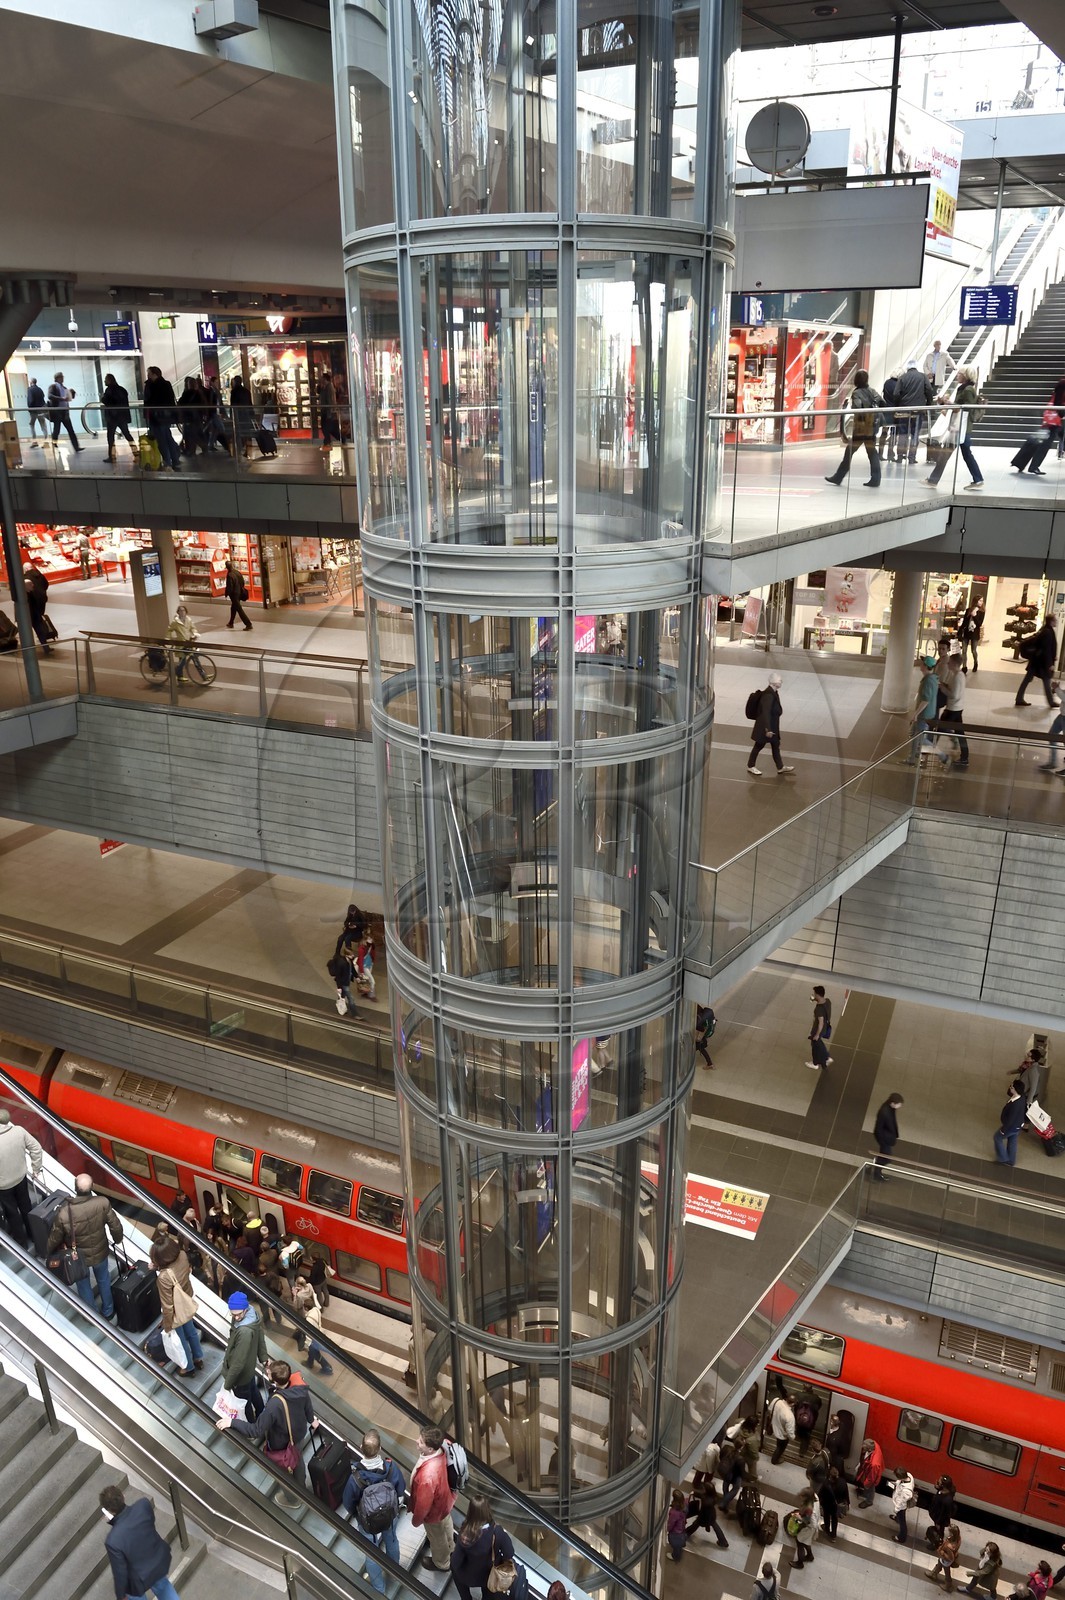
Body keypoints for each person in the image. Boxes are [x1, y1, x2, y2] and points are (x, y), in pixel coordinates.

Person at [219, 1358, 316, 1487]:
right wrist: (312, 1420)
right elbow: (307, 1406)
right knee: (297, 1457)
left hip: (283, 1441)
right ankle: (301, 1485)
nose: (267, 1371)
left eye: (269, 1373)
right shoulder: (300, 1387)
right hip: (299, 1433)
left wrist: (232, 1422)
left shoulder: (274, 1405)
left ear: (275, 1382)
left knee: (283, 1469)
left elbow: (256, 1430)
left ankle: (290, 1494)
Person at [46, 1172, 123, 1320]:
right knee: (103, 1279)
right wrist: (118, 1239)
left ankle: (91, 1315)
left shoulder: (64, 1213)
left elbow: (55, 1237)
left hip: (78, 1257)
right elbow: (115, 1226)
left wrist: (48, 1251)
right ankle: (108, 1311)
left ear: (75, 1188)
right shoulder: (102, 1202)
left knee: (83, 1284)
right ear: (92, 1187)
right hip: (100, 1251)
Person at [341, 1429, 406, 1593]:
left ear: (361, 1447)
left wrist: (358, 1516)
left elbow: (348, 1503)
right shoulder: (391, 1468)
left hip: (367, 1522)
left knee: (371, 1552)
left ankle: (379, 1590)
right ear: (380, 1448)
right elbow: (400, 1490)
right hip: (390, 1516)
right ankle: (395, 1574)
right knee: (392, 1541)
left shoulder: (355, 1477)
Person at [100, 1486, 181, 1600]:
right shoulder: (143, 1505)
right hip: (157, 1561)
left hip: (137, 1579)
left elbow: (120, 1572)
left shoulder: (112, 1541)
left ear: (109, 1511)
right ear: (123, 1496)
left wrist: (121, 1595)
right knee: (164, 1588)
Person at [451, 1495, 526, 1595]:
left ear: (470, 1512)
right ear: (487, 1510)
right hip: (490, 1576)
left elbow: (456, 1562)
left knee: (455, 1570)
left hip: (467, 1576)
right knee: (488, 1592)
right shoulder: (497, 1532)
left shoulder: (464, 1534)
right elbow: (509, 1553)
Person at [926, 367, 984, 489]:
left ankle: (933, 480)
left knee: (948, 453)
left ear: (966, 375)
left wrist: (950, 404)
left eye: (959, 374)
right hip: (959, 427)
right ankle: (978, 479)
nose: (957, 375)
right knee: (961, 454)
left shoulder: (968, 389)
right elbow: (959, 406)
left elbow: (967, 408)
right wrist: (945, 403)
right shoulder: (963, 388)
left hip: (961, 428)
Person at [825, 369, 884, 489]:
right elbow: (883, 403)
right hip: (872, 427)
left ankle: (838, 477)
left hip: (861, 428)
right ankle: (876, 479)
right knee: (872, 452)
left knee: (849, 451)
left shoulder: (856, 393)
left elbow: (857, 407)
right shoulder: (872, 391)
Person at [410, 1424, 457, 1571]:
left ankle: (442, 1563)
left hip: (434, 1512)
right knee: (446, 1524)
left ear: (430, 1449)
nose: (417, 1441)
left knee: (437, 1538)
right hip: (446, 1500)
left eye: (421, 1442)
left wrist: (416, 1520)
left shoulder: (427, 1477)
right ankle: (452, 1548)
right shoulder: (444, 1446)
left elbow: (423, 1506)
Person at [155, 1234, 204, 1377]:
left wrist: (167, 1325)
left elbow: (167, 1306)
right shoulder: (182, 1255)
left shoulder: (163, 1277)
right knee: (191, 1331)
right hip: (186, 1300)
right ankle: (198, 1358)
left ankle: (188, 1368)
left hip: (176, 1310)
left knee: (180, 1338)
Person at [0, 1108, 44, 1247]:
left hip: (3, 1185)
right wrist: (35, 1168)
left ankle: (22, 1244)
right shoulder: (19, 1131)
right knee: (26, 1207)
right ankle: (34, 1236)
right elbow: (36, 1148)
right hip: (21, 1178)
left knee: (12, 1213)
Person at [221, 1290, 267, 1420]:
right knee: (252, 1390)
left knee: (243, 1403)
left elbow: (238, 1363)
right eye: (233, 1314)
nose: (236, 1317)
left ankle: (251, 1424)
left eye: (238, 1314)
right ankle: (261, 1412)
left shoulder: (244, 1332)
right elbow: (260, 1336)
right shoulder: (253, 1315)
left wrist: (227, 1384)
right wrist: (263, 1357)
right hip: (249, 1369)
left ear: (245, 1309)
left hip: (240, 1376)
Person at [747, 671, 795, 777]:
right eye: (779, 680)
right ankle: (751, 765)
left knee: (775, 745)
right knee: (759, 745)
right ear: (773, 682)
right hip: (766, 726)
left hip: (772, 725)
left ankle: (780, 767)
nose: (781, 681)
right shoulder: (768, 695)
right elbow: (766, 712)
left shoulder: (773, 692)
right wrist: (768, 729)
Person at [893, 361, 936, 463]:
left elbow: (896, 394)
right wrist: (928, 404)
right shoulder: (923, 376)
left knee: (903, 433)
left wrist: (898, 405)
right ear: (916, 367)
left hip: (904, 409)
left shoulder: (902, 377)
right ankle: (912, 457)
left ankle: (900, 456)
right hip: (918, 410)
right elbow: (929, 390)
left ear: (907, 368)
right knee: (915, 433)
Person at [292, 1274, 334, 1373]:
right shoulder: (316, 1309)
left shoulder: (308, 1318)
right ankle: (309, 1363)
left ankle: (327, 1367)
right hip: (318, 1332)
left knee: (314, 1352)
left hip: (313, 1339)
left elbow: (296, 1306)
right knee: (312, 1352)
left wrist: (294, 1295)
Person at [1016, 615, 1060, 708]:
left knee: (1028, 680)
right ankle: (1051, 702)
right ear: (1051, 621)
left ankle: (1019, 699)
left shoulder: (1045, 630)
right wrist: (1050, 664)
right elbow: (1046, 650)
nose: (1056, 622)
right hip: (1041, 663)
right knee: (1046, 680)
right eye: (1055, 620)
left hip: (1036, 661)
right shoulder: (1048, 632)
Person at [143, 367, 181, 471]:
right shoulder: (166, 384)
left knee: (161, 440)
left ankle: (167, 462)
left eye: (149, 373)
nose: (148, 375)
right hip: (166, 416)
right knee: (168, 437)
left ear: (154, 374)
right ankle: (175, 460)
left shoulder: (152, 386)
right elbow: (170, 400)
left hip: (157, 417)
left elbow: (149, 401)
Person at [905, 656, 940, 764]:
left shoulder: (928, 681)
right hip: (926, 713)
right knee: (915, 735)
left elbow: (926, 700)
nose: (920, 665)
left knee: (919, 737)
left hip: (924, 714)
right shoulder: (932, 678)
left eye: (922, 663)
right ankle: (913, 756)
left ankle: (942, 755)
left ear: (925, 666)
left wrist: (915, 714)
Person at [937, 655, 969, 769]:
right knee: (959, 732)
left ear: (955, 664)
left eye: (949, 662)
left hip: (953, 709)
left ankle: (929, 749)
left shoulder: (957, 677)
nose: (948, 664)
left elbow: (954, 695)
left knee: (939, 729)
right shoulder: (956, 675)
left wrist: (943, 689)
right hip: (956, 708)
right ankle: (964, 757)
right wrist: (945, 685)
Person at [101, 373, 137, 463]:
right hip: (122, 416)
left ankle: (112, 456)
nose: (104, 381)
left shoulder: (109, 390)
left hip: (112, 417)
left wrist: (103, 399)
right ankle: (136, 453)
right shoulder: (122, 390)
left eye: (106, 379)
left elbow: (106, 401)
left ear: (109, 380)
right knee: (127, 434)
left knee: (110, 437)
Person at [685, 1479, 729, 1548]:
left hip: (704, 1517)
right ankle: (723, 1542)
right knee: (716, 1527)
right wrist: (695, 1493)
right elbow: (703, 1495)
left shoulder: (706, 1502)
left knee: (695, 1525)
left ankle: (686, 1534)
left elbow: (704, 1510)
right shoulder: (713, 1496)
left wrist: (706, 1524)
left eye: (704, 1488)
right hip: (712, 1515)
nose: (703, 1489)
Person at [994, 1079, 1028, 1166]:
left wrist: (1003, 1130)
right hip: (1018, 1125)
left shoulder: (1015, 1104)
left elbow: (1010, 1120)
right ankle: (1011, 1161)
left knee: (997, 1138)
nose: (1010, 1087)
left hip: (1011, 1126)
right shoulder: (1022, 1096)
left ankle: (1003, 1158)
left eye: (1012, 1087)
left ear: (1016, 1090)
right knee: (1012, 1141)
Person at [166, 604, 203, 682]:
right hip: (181, 644)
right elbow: (169, 629)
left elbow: (193, 628)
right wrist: (167, 639)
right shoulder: (175, 622)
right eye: (180, 610)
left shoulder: (188, 620)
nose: (182, 612)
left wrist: (195, 633)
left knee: (194, 658)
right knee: (182, 661)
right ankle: (178, 675)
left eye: (183, 610)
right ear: (178, 612)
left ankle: (203, 675)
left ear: (186, 611)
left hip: (189, 642)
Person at [46, 372, 82, 451]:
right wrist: (61, 398)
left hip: (64, 412)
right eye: (61, 377)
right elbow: (50, 396)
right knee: (57, 430)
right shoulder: (53, 387)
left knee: (70, 430)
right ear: (57, 378)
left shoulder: (64, 388)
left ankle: (76, 447)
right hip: (57, 411)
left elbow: (67, 399)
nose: (62, 378)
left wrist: (70, 396)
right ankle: (54, 445)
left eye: (62, 377)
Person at [23, 562, 54, 653]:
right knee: (38, 622)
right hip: (41, 602)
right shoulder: (40, 575)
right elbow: (46, 584)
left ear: (25, 569)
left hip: (31, 605)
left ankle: (30, 647)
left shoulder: (25, 578)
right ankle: (45, 645)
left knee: (32, 624)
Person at [786, 1489, 820, 1568]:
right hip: (810, 1528)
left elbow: (813, 1524)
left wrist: (799, 1518)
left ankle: (800, 1563)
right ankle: (810, 1556)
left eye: (802, 1496)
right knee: (806, 1541)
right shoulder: (815, 1497)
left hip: (808, 1529)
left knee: (800, 1542)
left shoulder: (810, 1511)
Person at [873, 1093, 904, 1180]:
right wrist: (882, 1142)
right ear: (893, 1103)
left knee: (883, 1156)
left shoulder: (890, 1108)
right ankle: (876, 1172)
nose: (900, 1106)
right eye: (899, 1104)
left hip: (886, 1137)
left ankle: (874, 1169)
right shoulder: (884, 1112)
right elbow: (878, 1128)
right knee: (886, 1158)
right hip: (884, 1138)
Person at [806, 985, 833, 1072]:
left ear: (818, 994)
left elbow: (820, 1023)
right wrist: (814, 999)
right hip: (825, 1027)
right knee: (818, 1043)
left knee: (815, 1045)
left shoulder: (819, 1009)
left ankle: (815, 1063)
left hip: (818, 1029)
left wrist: (817, 1034)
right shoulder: (828, 1001)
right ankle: (826, 1057)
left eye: (815, 994)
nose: (814, 995)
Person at [929, 1523, 962, 1591]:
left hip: (946, 1560)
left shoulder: (950, 1547)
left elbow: (951, 1558)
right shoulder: (958, 1538)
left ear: (952, 1533)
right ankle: (933, 1574)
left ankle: (948, 1584)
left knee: (947, 1572)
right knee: (939, 1563)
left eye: (948, 1531)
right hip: (944, 1559)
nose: (947, 1532)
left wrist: (943, 1553)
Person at [926, 1474, 957, 1546]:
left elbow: (943, 1513)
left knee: (939, 1531)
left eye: (939, 1481)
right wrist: (937, 1488)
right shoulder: (945, 1491)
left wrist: (938, 1523)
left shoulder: (946, 1500)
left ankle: (937, 1543)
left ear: (943, 1485)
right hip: (937, 1515)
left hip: (940, 1519)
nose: (938, 1481)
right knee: (939, 1530)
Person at [878, 369, 901, 460]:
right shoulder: (898, 384)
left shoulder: (886, 383)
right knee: (893, 433)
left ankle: (880, 453)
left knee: (884, 432)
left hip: (886, 410)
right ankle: (890, 453)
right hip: (894, 411)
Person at [768, 1387, 795, 1463]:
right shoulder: (790, 1416)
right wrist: (792, 1437)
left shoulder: (776, 1400)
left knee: (778, 1446)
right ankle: (774, 1460)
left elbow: (770, 1410)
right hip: (782, 1436)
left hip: (773, 1426)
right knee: (780, 1448)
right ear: (793, 1404)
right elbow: (789, 1431)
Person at [854, 1436, 884, 1508]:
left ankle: (869, 1501)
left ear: (870, 1449)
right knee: (867, 1486)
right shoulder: (874, 1444)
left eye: (865, 1448)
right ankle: (865, 1493)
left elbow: (871, 1477)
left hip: (872, 1474)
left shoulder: (874, 1464)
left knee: (870, 1487)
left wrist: (866, 1484)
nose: (863, 1448)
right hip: (869, 1470)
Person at [225, 559, 253, 631]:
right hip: (239, 592)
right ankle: (231, 623)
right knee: (233, 608)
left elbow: (230, 587)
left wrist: (227, 594)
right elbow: (242, 582)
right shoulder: (237, 572)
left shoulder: (229, 575)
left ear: (227, 567)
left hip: (234, 595)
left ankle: (248, 624)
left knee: (239, 609)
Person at [956, 601, 985, 672]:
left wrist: (974, 616)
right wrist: (959, 631)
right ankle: (964, 666)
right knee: (964, 650)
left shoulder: (981, 612)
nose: (981, 602)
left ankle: (975, 663)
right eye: (980, 600)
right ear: (976, 601)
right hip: (966, 632)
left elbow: (979, 624)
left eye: (982, 601)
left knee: (973, 650)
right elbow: (964, 622)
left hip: (974, 633)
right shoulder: (968, 610)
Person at [891, 1465, 916, 1543]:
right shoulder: (909, 1475)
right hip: (901, 1503)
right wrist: (896, 1483)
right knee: (900, 1517)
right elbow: (900, 1482)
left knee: (902, 1522)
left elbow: (901, 1502)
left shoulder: (906, 1491)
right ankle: (897, 1518)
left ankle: (901, 1537)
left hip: (901, 1507)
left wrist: (896, 1509)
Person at [317, 370, 342, 446]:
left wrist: (330, 412)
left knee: (326, 427)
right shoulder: (324, 387)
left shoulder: (329, 387)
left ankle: (327, 441)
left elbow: (331, 400)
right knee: (328, 428)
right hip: (325, 410)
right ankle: (329, 441)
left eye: (322, 378)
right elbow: (318, 391)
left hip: (328, 411)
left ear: (325, 379)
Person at [26, 375, 51, 443]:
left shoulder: (30, 390)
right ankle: (46, 440)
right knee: (43, 425)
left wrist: (29, 408)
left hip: (33, 411)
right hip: (41, 410)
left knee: (31, 424)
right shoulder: (39, 389)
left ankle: (34, 441)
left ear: (31, 382)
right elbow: (43, 396)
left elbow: (30, 400)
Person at [666, 1488, 687, 1562]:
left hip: (676, 1532)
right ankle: (681, 1545)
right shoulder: (684, 1506)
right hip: (682, 1528)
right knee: (680, 1541)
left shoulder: (674, 1512)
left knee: (676, 1547)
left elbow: (671, 1523)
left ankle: (675, 1556)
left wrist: (667, 1529)